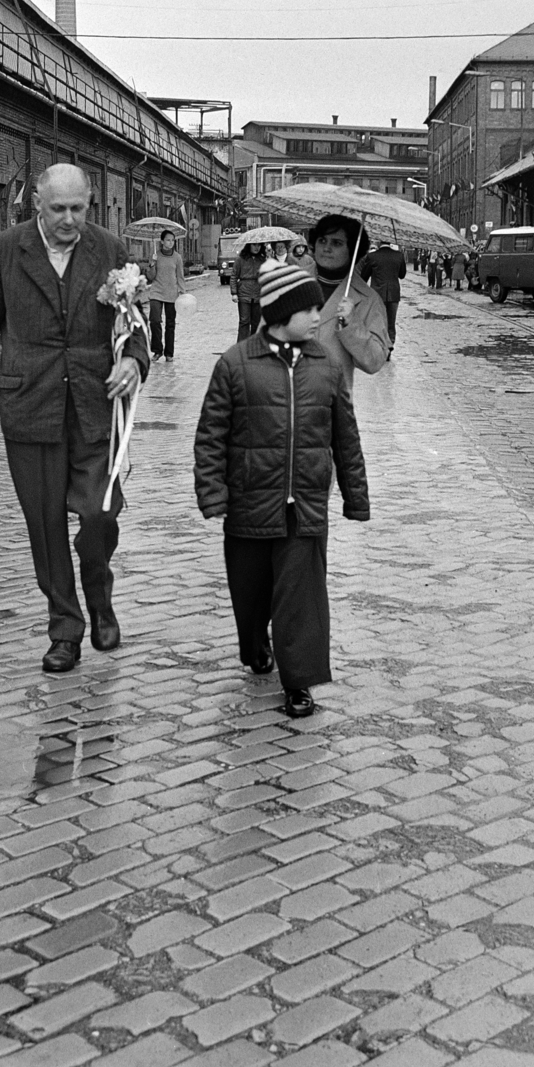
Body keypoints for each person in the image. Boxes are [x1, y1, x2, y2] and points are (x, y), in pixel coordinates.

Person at [0, 164, 149, 674]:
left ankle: (100, 596)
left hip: (95, 404)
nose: (70, 220)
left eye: (78, 209)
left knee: (98, 516)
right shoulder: (3, 252)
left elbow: (132, 321)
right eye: (58, 209)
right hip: (31, 407)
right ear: (36, 205)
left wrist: (133, 358)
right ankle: (65, 629)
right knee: (45, 527)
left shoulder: (109, 249)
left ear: (90, 203)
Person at [194, 259, 369, 719]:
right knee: (250, 594)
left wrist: (356, 496)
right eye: (309, 309)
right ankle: (254, 646)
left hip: (305, 505)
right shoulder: (236, 364)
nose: (318, 316)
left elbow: (345, 436)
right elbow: (211, 434)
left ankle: (299, 681)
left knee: (301, 596)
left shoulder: (326, 364)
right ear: (278, 314)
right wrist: (213, 493)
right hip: (251, 501)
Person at [307, 214, 390, 381]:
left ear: (352, 251)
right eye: (322, 240)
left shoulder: (367, 299)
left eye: (337, 243)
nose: (326, 248)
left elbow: (374, 361)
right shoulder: (291, 283)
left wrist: (352, 325)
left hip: (332, 400)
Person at [146, 229, 187, 361]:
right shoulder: (155, 256)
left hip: (172, 293)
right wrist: (152, 264)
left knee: (170, 324)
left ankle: (169, 353)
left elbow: (180, 276)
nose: (171, 243)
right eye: (168, 240)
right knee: (154, 320)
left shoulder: (177, 258)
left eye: (172, 240)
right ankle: (157, 350)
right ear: (162, 241)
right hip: (156, 292)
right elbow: (151, 277)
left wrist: (182, 293)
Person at [358, 240, 407, 349]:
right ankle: (390, 344)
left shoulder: (372, 256)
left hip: (377, 294)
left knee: (378, 322)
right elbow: (402, 275)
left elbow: (364, 276)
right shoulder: (399, 255)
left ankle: (380, 346)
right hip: (393, 294)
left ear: (379, 243)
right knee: (391, 322)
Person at [232, 243, 264, 340]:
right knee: (244, 321)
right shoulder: (240, 259)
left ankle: (254, 344)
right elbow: (234, 276)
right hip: (244, 294)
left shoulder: (262, 260)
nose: (256, 247)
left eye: (258, 245)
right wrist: (234, 293)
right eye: (254, 245)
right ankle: (241, 345)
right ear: (249, 246)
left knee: (256, 321)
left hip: (258, 294)